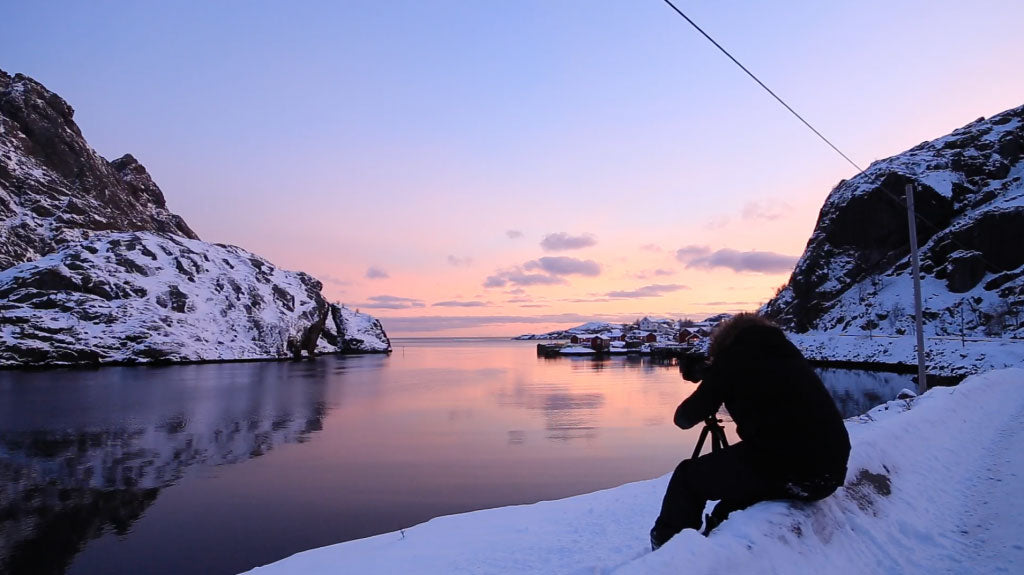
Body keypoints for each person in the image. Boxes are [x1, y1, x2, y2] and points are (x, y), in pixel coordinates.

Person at [650, 313, 850, 550]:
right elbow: (752, 374)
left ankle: (668, 550)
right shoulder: (784, 351)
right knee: (729, 507)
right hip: (828, 473)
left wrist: (712, 375)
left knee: (687, 478)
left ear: (723, 342)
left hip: (787, 465)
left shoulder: (732, 360)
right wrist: (712, 373)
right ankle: (717, 547)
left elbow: (684, 418)